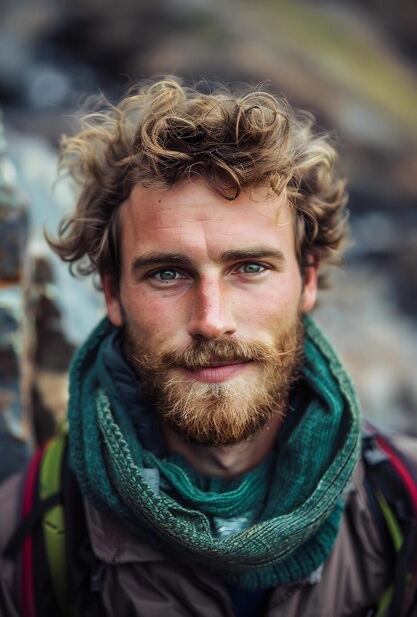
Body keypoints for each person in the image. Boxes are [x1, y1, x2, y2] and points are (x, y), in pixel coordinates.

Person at [0, 76, 416, 617]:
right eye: (168, 273)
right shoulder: (21, 549)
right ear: (112, 292)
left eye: (250, 267)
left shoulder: (405, 506)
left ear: (308, 280)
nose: (212, 320)